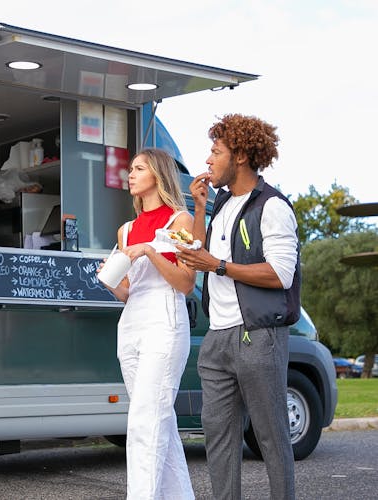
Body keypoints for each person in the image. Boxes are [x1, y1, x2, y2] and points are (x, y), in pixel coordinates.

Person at [177, 113, 300, 500]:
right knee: (219, 439)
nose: (209, 160)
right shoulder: (223, 203)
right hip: (218, 340)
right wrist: (199, 209)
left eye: (216, 152)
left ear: (241, 156)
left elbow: (280, 273)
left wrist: (219, 266)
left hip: (259, 338)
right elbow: (203, 254)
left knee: (271, 438)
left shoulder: (273, 205)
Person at [100, 148, 196, 499]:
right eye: (131, 169)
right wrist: (111, 281)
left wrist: (152, 251)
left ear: (157, 174)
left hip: (165, 322)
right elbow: (129, 292)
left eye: (139, 168)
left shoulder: (180, 221)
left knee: (144, 422)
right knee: (160, 424)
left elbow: (186, 284)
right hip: (131, 325)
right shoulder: (125, 230)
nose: (131, 174)